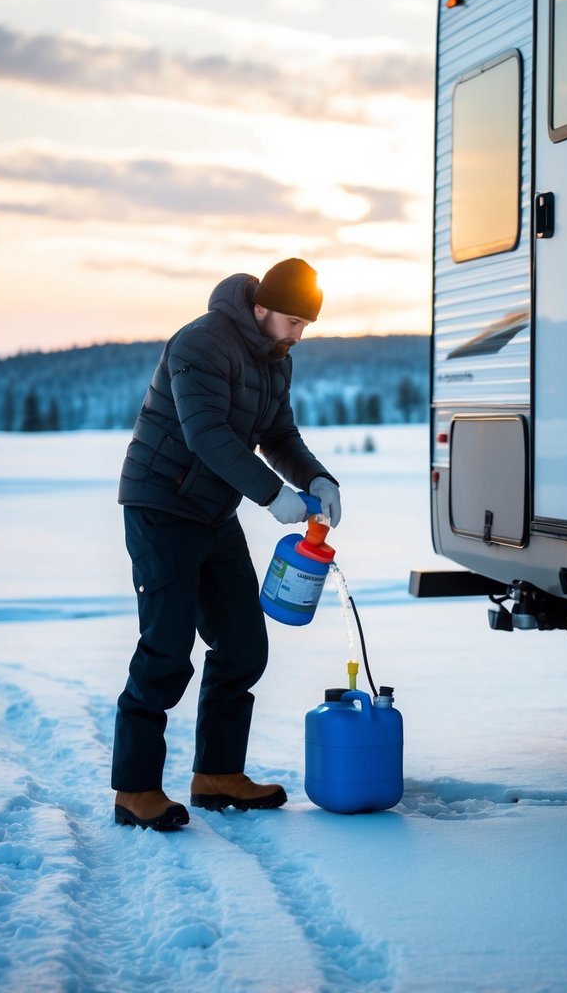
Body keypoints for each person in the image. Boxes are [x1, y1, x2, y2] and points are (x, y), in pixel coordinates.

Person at [112, 259, 341, 830]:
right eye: (292, 321)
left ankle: (217, 774)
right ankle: (135, 790)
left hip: (213, 512)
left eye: (305, 326)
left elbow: (279, 434)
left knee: (243, 644)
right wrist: (272, 495)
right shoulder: (201, 342)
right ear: (260, 308)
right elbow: (205, 432)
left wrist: (316, 478)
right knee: (166, 648)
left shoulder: (274, 359)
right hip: (161, 505)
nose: (298, 335)